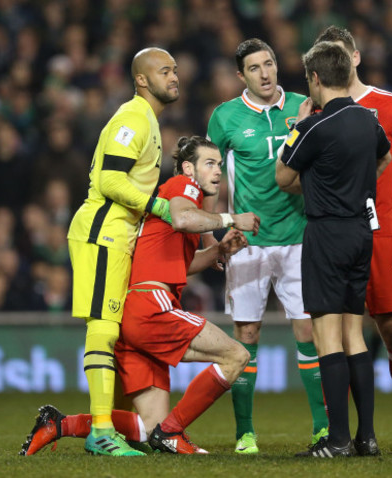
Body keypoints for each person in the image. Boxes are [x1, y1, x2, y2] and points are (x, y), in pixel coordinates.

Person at [21, 136, 261, 455]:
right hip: (152, 306)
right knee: (236, 355)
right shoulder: (182, 185)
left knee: (149, 428)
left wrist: (216, 250)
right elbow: (182, 218)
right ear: (189, 168)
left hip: (134, 313)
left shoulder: (184, 202)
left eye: (219, 164)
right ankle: (173, 434)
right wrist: (232, 219)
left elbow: (182, 262)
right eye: (209, 163)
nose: (217, 171)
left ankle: (59, 424)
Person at [315, 26, 392, 453]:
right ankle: (342, 434)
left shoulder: (390, 105)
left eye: (342, 55)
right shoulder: (315, 108)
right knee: (335, 333)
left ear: (356, 57)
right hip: (332, 231)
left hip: (380, 229)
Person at [206, 38, 327, 454]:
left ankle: (323, 430)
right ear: (242, 76)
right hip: (248, 244)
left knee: (309, 332)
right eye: (255, 67)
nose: (265, 73)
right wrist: (216, 234)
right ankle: (245, 433)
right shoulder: (225, 117)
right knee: (246, 336)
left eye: (270, 63)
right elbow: (211, 179)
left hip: (299, 236)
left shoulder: (303, 105)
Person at [276, 41, 391, 458]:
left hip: (326, 233)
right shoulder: (369, 120)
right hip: (362, 232)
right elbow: (384, 157)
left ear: (316, 78)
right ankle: (367, 437)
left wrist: (298, 125)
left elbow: (280, 175)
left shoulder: (314, 127)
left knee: (327, 338)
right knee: (354, 335)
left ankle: (338, 440)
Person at [65, 47, 180, 456]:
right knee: (104, 328)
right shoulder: (133, 117)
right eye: (164, 70)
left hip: (117, 234)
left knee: (111, 331)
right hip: (103, 232)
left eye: (175, 69)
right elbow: (112, 180)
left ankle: (107, 428)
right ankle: (100, 432)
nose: (174, 76)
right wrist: (161, 206)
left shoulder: (146, 118)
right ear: (142, 80)